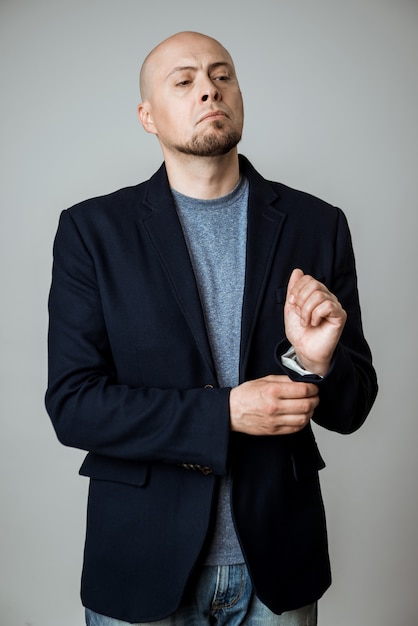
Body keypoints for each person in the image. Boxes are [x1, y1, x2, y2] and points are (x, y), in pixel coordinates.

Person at [45, 31, 378, 626]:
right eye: (185, 80)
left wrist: (317, 363)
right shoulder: (91, 233)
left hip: (277, 566)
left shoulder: (317, 224)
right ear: (148, 116)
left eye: (222, 75)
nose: (209, 89)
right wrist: (222, 413)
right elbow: (74, 407)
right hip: (142, 562)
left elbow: (351, 411)